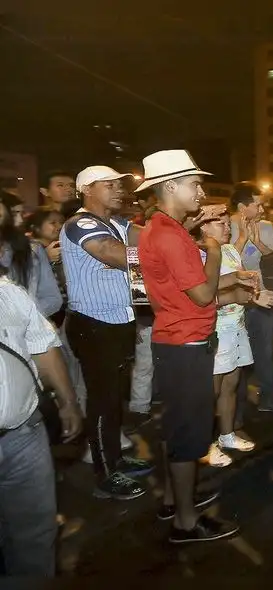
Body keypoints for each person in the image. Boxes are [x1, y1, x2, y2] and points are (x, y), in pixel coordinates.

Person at [138, 149, 254, 543]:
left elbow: (184, 290)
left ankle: (175, 500)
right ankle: (186, 523)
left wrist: (197, 229)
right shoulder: (171, 236)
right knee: (189, 437)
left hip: (175, 339)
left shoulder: (163, 227)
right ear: (169, 186)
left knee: (177, 429)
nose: (201, 191)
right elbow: (203, 294)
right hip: (186, 343)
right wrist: (216, 249)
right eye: (194, 183)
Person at [61, 165, 153, 499]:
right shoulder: (80, 223)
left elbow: (143, 253)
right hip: (93, 325)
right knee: (102, 401)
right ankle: (105, 473)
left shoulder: (118, 224)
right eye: (110, 184)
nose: (119, 190)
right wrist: (159, 252)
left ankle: (114, 457)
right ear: (87, 189)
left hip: (119, 321)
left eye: (119, 184)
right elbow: (110, 253)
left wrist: (141, 312)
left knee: (115, 399)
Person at [0, 278, 83, 576]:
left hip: (25, 436)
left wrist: (68, 401)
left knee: (36, 535)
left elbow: (43, 345)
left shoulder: (8, 292)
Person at [192, 209, 273, 467]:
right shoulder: (199, 254)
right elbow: (203, 292)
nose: (225, 227)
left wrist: (253, 291)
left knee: (231, 384)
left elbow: (240, 281)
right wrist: (248, 293)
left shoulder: (228, 250)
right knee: (212, 390)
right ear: (204, 229)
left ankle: (226, 435)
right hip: (215, 328)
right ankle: (204, 445)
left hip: (236, 325)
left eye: (225, 223)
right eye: (219, 224)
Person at [229, 182, 273, 413]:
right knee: (235, 356)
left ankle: (268, 398)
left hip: (263, 297)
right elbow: (226, 263)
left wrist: (259, 242)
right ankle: (236, 407)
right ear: (243, 207)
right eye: (258, 205)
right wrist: (243, 238)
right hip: (232, 300)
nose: (262, 210)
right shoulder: (223, 226)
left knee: (264, 351)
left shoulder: (266, 227)